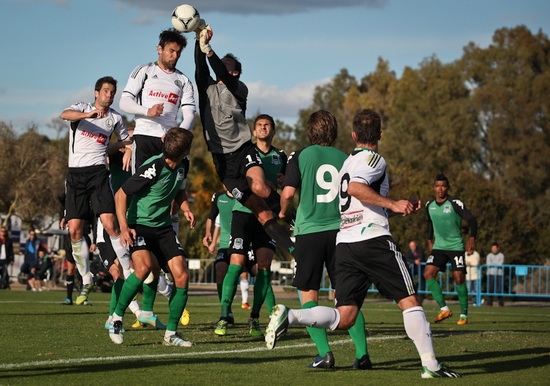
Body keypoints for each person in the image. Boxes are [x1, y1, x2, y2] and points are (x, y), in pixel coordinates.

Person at [265, 109, 461, 378]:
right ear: (380, 135)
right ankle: (431, 365)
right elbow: (357, 189)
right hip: (371, 239)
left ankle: (291, 316)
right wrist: (392, 202)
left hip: (346, 242)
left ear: (354, 135)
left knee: (345, 316)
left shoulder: (349, 163)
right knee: (410, 300)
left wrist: (397, 208)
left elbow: (360, 199)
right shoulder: (371, 159)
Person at [279, 109, 369, 369]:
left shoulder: (300, 155)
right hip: (342, 233)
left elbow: (287, 194)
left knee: (308, 295)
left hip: (310, 233)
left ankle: (324, 354)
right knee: (346, 297)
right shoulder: (346, 158)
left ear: (310, 131)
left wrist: (284, 212)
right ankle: (362, 355)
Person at [194, 22, 294, 255]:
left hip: (242, 150)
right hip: (222, 163)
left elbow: (219, 71)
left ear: (235, 72)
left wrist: (209, 49)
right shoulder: (206, 89)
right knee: (260, 212)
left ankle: (296, 220)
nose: (220, 69)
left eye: (226, 66)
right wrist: (199, 39)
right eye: (220, 65)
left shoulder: (239, 89)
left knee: (259, 186)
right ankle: (295, 251)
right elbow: (200, 67)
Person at [109, 128, 195, 346]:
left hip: (163, 227)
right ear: (184, 150)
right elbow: (121, 194)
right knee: (144, 268)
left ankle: (171, 335)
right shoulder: (153, 167)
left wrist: (185, 208)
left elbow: (179, 190)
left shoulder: (183, 165)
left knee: (182, 276)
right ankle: (116, 318)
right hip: (140, 225)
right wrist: (124, 227)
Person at [60, 76, 132, 306]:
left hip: (99, 174)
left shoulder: (115, 118)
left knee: (111, 225)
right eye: (106, 91)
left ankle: (128, 270)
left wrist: (126, 148)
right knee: (74, 231)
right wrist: (87, 115)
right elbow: (64, 115)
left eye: (112, 92)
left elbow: (125, 140)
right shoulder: (81, 109)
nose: (109, 95)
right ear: (96, 93)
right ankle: (86, 277)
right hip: (76, 175)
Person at [214, 114, 284, 337]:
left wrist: (284, 183)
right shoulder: (245, 152)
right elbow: (231, 180)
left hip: (266, 218)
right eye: (260, 125)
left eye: (267, 125)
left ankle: (255, 319)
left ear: (273, 130)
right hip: (243, 213)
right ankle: (224, 315)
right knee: (236, 262)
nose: (263, 128)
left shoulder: (281, 156)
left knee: (264, 266)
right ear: (254, 132)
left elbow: (290, 185)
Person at [119, 28, 195, 172]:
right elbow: (124, 102)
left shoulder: (184, 80)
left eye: (178, 52)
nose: (175, 56)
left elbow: (190, 115)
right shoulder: (144, 71)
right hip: (144, 137)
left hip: (169, 142)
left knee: (171, 190)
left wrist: (176, 135)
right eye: (171, 50)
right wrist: (148, 111)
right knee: (140, 188)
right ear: (159, 49)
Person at [424, 174, 478, 325]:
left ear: (447, 187)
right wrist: (429, 241)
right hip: (439, 247)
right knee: (428, 274)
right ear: (434, 187)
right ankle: (444, 308)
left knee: (459, 278)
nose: (440, 189)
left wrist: (472, 238)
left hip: (455, 247)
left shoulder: (455, 203)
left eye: (443, 186)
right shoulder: (429, 205)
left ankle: (464, 315)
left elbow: (472, 219)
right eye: (437, 186)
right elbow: (429, 224)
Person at [486, 243, 505, 307]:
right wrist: (495, 264)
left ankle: (501, 303)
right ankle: (489, 303)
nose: (494, 249)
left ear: (498, 248)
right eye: (492, 248)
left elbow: (500, 264)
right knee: (490, 288)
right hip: (490, 274)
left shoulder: (501, 255)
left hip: (499, 274)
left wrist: (493, 264)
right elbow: (488, 264)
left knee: (499, 289)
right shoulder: (489, 256)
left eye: (495, 248)